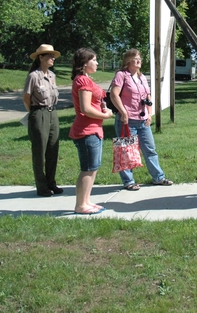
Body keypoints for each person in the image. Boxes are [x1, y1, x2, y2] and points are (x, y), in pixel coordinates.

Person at [109, 49, 173, 190]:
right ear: (127, 61)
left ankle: (158, 177)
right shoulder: (121, 75)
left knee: (150, 149)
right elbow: (114, 95)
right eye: (135, 58)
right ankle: (128, 182)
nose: (138, 61)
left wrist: (149, 114)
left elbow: (148, 97)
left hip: (143, 121)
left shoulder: (142, 77)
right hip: (127, 121)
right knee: (126, 151)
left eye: (139, 58)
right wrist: (123, 112)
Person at [69, 48, 114, 214]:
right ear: (84, 63)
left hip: (95, 129)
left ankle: (86, 201)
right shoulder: (82, 81)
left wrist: (103, 105)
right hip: (86, 130)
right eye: (93, 60)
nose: (96, 63)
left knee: (93, 167)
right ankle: (80, 205)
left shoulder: (87, 80)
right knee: (87, 168)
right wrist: (106, 115)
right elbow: (86, 109)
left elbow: (94, 102)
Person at [23, 44, 63, 197]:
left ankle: (51, 182)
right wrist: (34, 114)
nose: (53, 58)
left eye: (53, 56)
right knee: (40, 151)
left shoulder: (52, 76)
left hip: (53, 113)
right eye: (49, 56)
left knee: (53, 149)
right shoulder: (34, 76)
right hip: (39, 113)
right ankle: (41, 186)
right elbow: (26, 98)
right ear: (41, 57)